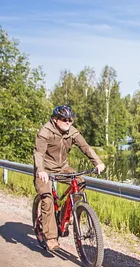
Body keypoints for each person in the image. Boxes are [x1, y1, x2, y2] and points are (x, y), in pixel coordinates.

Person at [33, 105, 105, 251]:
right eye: (64, 119)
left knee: (80, 181)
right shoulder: (45, 132)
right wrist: (40, 170)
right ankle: (51, 238)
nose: (68, 122)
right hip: (45, 170)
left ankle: (68, 214)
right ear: (55, 120)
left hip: (62, 167)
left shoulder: (72, 132)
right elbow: (38, 153)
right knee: (47, 199)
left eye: (70, 120)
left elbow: (86, 147)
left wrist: (97, 162)